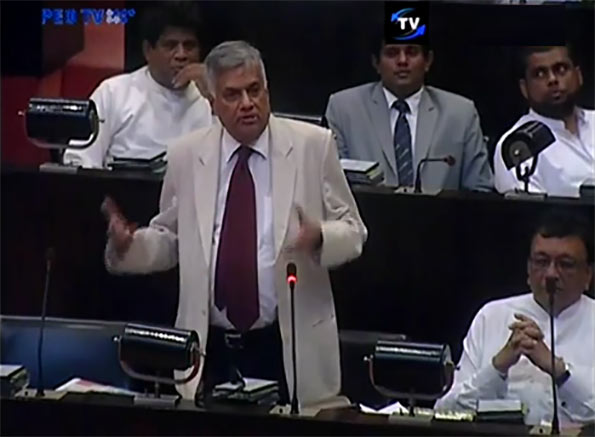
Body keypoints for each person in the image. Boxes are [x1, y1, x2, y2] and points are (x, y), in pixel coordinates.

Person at [102, 41, 368, 405]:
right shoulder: (186, 154)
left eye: (254, 90)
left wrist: (320, 236)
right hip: (209, 347)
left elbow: (354, 231)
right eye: (232, 94)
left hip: (287, 344)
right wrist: (128, 247)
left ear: (267, 90)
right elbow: (171, 240)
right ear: (212, 102)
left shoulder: (312, 145)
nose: (247, 103)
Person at [435, 209, 594, 426]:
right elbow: (446, 410)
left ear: (588, 275)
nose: (551, 274)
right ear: (528, 270)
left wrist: (560, 372)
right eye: (541, 261)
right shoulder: (491, 316)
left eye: (565, 264)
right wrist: (498, 367)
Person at [324, 40, 493, 192]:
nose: (402, 61)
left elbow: (480, 188)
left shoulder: (460, 113)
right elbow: (331, 188)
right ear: (376, 62)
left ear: (428, 61)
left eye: (412, 52)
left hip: (442, 222)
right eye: (392, 53)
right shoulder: (344, 109)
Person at [63, 2, 212, 169]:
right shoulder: (114, 93)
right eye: (170, 46)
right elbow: (79, 159)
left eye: (189, 46)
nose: (181, 55)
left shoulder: (214, 98)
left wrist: (214, 97)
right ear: (148, 50)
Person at [494, 45, 594, 198]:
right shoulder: (518, 145)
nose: (553, 80)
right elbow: (531, 216)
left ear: (578, 75)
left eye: (561, 69)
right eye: (540, 74)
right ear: (524, 88)